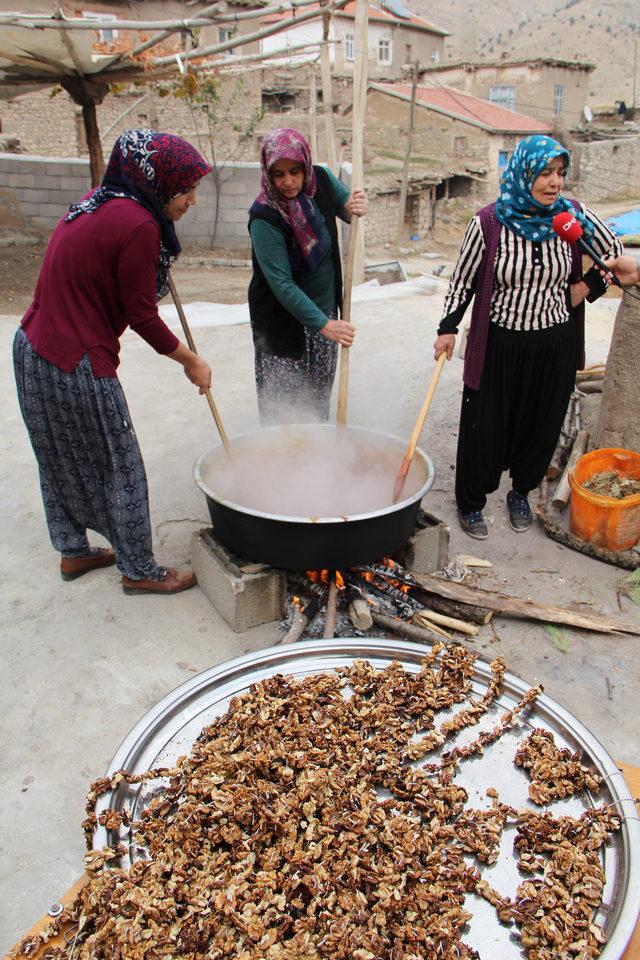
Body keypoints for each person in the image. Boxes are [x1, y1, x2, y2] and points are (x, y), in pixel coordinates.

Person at [14, 128, 213, 594]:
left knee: (55, 454)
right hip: (75, 361)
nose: (192, 200)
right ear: (159, 182)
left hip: (31, 347)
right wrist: (190, 361)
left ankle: (73, 550)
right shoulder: (140, 225)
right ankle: (140, 570)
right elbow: (141, 315)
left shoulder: (101, 201)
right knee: (119, 462)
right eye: (186, 189)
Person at [433, 135, 623, 540]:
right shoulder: (488, 223)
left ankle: (520, 492)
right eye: (544, 173)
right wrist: (447, 329)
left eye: (559, 173)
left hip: (554, 343)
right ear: (524, 173)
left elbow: (613, 251)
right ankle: (471, 503)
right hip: (500, 343)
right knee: (484, 428)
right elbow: (462, 282)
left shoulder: (572, 216)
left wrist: (585, 286)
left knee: (539, 425)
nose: (554, 182)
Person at [248, 127, 367, 424]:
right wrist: (323, 325)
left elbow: (347, 208)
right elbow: (282, 285)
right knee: (284, 409)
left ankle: (316, 464)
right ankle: (282, 467)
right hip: (282, 324)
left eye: (295, 171)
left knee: (317, 401)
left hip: (325, 314)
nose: (288, 182)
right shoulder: (265, 218)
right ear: (268, 173)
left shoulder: (322, 181)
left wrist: (356, 205)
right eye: (278, 174)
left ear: (306, 167)